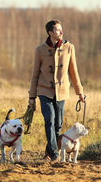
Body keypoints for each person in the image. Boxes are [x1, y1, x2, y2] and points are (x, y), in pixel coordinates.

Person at [28, 19, 85, 162]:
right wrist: (32, 97)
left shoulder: (69, 48)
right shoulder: (40, 50)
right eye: (58, 30)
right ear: (50, 33)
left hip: (62, 91)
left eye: (61, 29)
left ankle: (48, 151)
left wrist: (80, 92)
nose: (61, 32)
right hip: (44, 90)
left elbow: (73, 72)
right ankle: (54, 153)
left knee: (58, 124)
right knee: (49, 119)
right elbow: (35, 74)